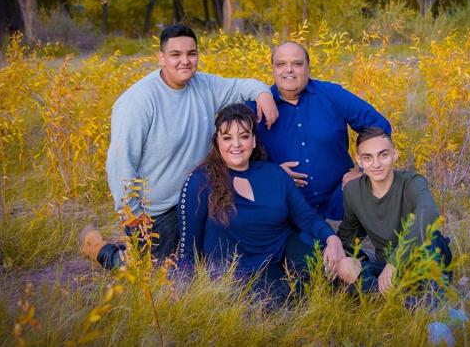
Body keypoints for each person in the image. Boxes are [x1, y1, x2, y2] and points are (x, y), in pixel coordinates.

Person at [79, 25, 279, 269]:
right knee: (146, 271)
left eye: (191, 53)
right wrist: (133, 217)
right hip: (160, 210)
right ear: (161, 58)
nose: (185, 61)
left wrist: (263, 94)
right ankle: (99, 247)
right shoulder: (138, 102)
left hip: (204, 195)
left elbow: (243, 85)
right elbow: (120, 164)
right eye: (176, 55)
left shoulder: (204, 85)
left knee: (216, 258)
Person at [177, 103, 346, 299]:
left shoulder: (274, 174)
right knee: (295, 297)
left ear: (254, 141)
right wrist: (184, 286)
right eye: (227, 138)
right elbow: (189, 243)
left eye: (244, 136)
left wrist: (330, 238)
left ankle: (380, 281)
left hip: (282, 247)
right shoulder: (200, 181)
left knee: (332, 271)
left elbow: (306, 217)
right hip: (240, 268)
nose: (236, 144)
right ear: (218, 142)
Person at [246, 41, 392, 222]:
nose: (289, 69)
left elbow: (378, 126)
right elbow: (233, 154)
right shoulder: (255, 107)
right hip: (289, 210)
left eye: (297, 64)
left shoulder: (332, 94)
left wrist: (364, 171)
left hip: (341, 205)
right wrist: (271, 174)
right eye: (281, 64)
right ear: (273, 69)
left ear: (308, 68)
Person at [335, 127, 452, 296]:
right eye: (368, 157)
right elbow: (348, 233)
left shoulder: (412, 182)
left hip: (425, 259)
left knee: (430, 236)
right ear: (359, 161)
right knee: (345, 266)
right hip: (386, 267)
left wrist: (396, 261)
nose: (376, 164)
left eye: (383, 155)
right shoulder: (353, 190)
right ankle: (395, 299)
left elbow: (429, 212)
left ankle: (433, 303)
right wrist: (333, 254)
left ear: (394, 154)